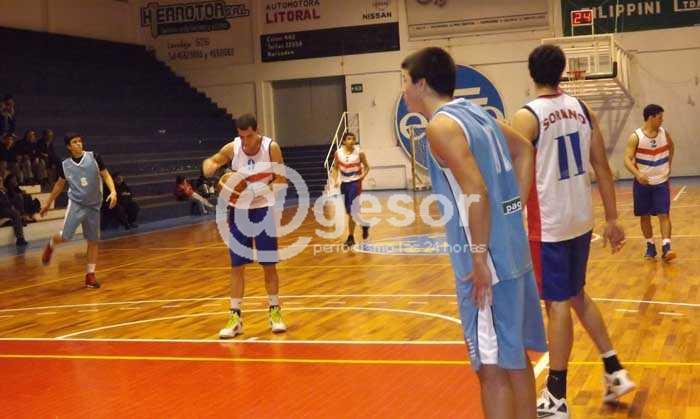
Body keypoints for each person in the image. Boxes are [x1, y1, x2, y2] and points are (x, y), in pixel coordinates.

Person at [401, 47, 547, 419]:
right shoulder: (477, 113)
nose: (403, 90)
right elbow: (524, 149)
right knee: (515, 360)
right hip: (511, 251)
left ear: (421, 84)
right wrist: (513, 207)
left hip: (487, 266)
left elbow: (476, 189)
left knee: (491, 370)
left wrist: (479, 257)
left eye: (404, 81)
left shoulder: (440, 127)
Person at [511, 44, 635, 418]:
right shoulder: (583, 110)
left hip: (548, 223)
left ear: (530, 72)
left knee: (558, 304)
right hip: (581, 219)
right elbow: (603, 168)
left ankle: (557, 396)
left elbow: (517, 178)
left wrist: (508, 222)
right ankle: (615, 370)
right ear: (563, 71)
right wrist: (612, 218)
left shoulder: (526, 117)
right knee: (576, 294)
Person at [202, 113, 288, 339]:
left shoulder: (271, 148)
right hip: (238, 212)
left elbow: (281, 180)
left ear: (257, 131)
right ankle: (235, 318)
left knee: (268, 264)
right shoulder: (233, 147)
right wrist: (209, 167)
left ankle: (275, 312)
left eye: (249, 136)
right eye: (242, 137)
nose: (246, 141)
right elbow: (212, 161)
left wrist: (257, 192)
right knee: (237, 266)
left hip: (263, 209)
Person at [40, 134, 118, 289]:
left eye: (80, 141)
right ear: (69, 147)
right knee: (65, 237)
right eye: (74, 142)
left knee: (93, 241)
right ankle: (51, 244)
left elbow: (106, 175)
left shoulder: (94, 157)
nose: (79, 144)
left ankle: (90, 276)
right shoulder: (65, 165)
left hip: (94, 205)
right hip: (76, 204)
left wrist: (113, 191)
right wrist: (48, 203)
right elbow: (59, 185)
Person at [624, 104, 676, 261]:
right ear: (651, 117)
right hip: (643, 184)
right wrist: (637, 174)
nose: (662, 120)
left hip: (661, 182)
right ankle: (650, 245)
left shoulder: (664, 133)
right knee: (644, 216)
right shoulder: (636, 137)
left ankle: (666, 247)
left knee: (664, 214)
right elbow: (627, 159)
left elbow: (672, 147)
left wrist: (669, 165)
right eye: (660, 117)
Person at [331, 132, 370, 247]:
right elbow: (335, 168)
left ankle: (350, 237)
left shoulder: (359, 153)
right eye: (349, 139)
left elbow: (367, 167)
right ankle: (364, 225)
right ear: (343, 141)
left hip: (355, 183)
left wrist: (362, 177)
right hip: (344, 184)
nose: (351, 141)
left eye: (353, 139)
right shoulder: (338, 153)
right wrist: (335, 180)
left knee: (352, 211)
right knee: (349, 212)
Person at [0, 175, 27, 247]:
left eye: (1, 181)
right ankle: (20, 238)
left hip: (5, 209)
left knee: (16, 210)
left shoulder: (3, 190)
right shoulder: (2, 191)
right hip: (1, 209)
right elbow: (2, 203)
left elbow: (7, 201)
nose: (1, 182)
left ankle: (20, 237)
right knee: (15, 213)